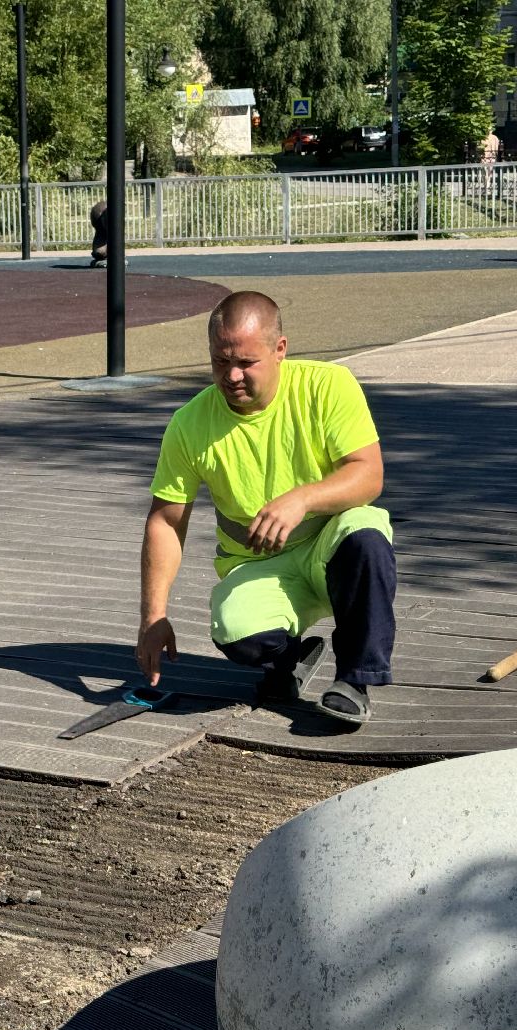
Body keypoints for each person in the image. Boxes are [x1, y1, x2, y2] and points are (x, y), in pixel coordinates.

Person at [136, 291, 397, 726]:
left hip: (328, 547)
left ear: (280, 350)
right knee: (237, 634)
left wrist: (303, 498)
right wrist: (153, 616)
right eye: (220, 362)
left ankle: (355, 679)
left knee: (367, 537)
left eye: (245, 362)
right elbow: (166, 520)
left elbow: (368, 475)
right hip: (259, 563)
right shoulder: (189, 423)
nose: (232, 375)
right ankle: (286, 659)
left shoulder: (328, 385)